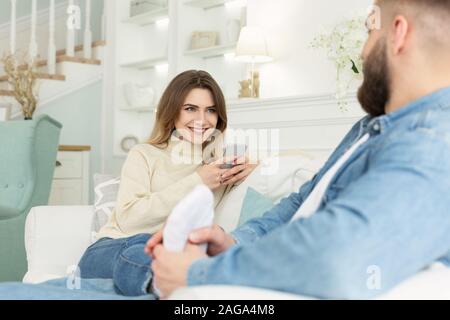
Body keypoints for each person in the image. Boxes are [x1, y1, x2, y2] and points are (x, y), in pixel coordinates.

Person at [147, 0, 450, 299]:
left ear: (398, 33)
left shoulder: (433, 140)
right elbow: (300, 203)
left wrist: (198, 274)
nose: (362, 51)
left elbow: (338, 255)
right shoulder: (370, 128)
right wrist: (234, 241)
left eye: (369, 29)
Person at [75, 70, 256, 297]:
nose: (201, 120)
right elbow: (129, 220)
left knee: (168, 254)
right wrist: (199, 181)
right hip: (111, 250)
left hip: (170, 256)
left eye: (210, 110)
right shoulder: (144, 154)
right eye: (190, 108)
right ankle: (178, 284)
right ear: (173, 111)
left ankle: (176, 286)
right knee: (146, 246)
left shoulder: (217, 167)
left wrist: (250, 169)